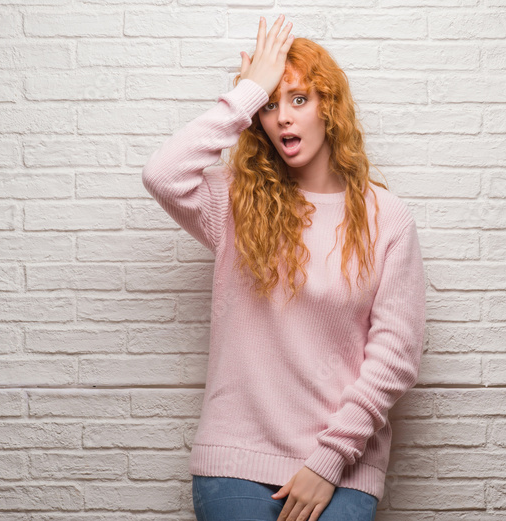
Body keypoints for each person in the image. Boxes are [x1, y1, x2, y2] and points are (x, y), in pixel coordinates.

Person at [140, 14, 426, 521]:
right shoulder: (234, 202)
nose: (284, 118)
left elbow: (395, 355)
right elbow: (162, 174)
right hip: (236, 459)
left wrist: (327, 461)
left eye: (299, 99)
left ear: (329, 108)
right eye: (271, 106)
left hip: (342, 469)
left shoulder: (387, 218)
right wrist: (249, 92)